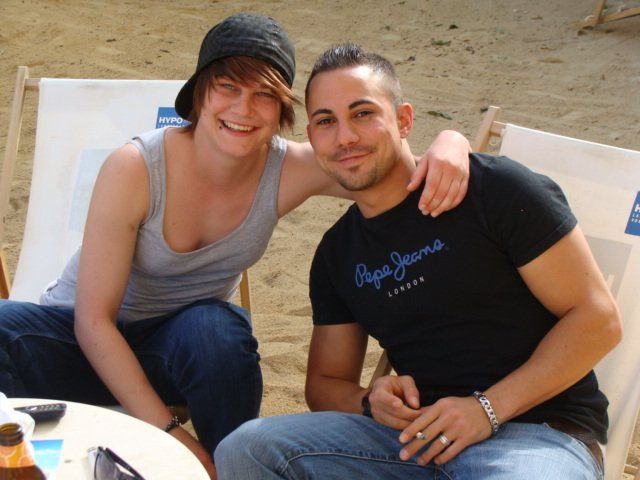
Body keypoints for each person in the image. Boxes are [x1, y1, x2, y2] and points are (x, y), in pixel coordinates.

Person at [0, 15, 471, 479]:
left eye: (264, 94)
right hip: (76, 343)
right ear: (200, 93)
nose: (244, 109)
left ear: (282, 109)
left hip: (180, 353)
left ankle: (234, 466)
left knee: (218, 328)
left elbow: (394, 172)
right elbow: (93, 322)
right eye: (228, 87)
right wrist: (170, 433)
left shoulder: (291, 170)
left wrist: (452, 142)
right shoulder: (137, 168)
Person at [214, 43, 622, 480]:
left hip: (535, 435)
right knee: (247, 449)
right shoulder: (338, 252)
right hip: (416, 440)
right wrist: (371, 401)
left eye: (363, 114)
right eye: (326, 121)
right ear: (312, 138)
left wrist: (486, 410)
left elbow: (598, 320)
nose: (345, 137)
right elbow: (325, 385)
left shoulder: (493, 190)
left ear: (404, 120)